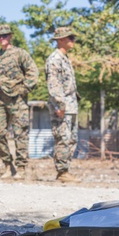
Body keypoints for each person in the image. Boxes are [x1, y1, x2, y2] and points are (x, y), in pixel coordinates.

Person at [0, 23, 39, 180]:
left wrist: (23, 90)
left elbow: (33, 72)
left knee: (20, 134)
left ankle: (22, 167)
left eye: (5, 36)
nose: (2, 39)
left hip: (17, 101)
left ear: (10, 36)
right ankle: (7, 165)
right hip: (0, 102)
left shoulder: (20, 53)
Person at [46, 27, 80, 183]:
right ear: (60, 40)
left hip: (71, 105)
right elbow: (54, 85)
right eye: (70, 38)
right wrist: (60, 105)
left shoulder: (65, 59)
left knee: (71, 139)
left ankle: (66, 169)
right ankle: (62, 172)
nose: (73, 41)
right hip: (62, 107)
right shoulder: (54, 59)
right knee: (62, 138)